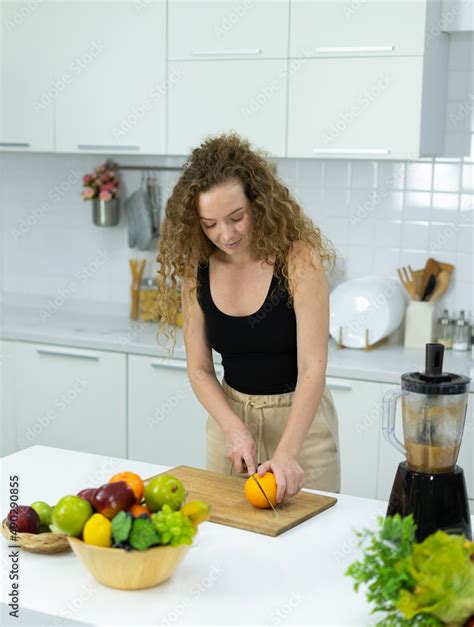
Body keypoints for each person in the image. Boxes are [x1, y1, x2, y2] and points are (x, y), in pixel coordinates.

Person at [156, 132, 340, 504]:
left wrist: (287, 452)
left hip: (301, 426)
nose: (226, 234)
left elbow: (312, 367)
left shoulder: (298, 259)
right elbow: (200, 369)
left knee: (307, 542)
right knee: (222, 536)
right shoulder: (198, 267)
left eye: (236, 217)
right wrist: (232, 428)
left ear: (257, 203)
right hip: (231, 420)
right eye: (210, 223)